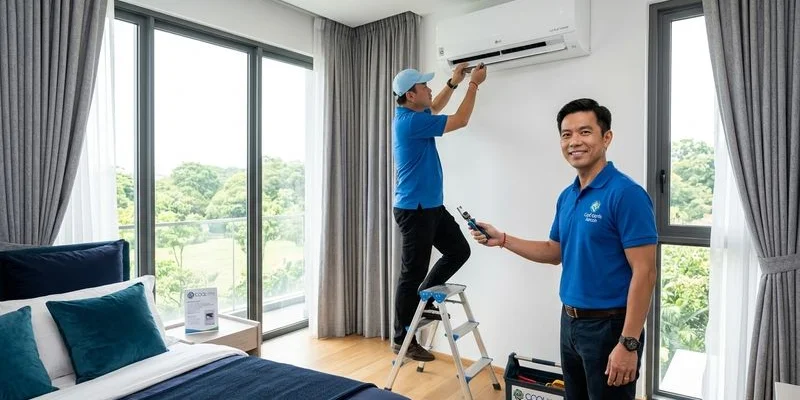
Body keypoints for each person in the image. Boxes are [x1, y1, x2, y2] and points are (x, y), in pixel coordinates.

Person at [470, 98, 657, 399]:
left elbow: (645, 273)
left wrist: (629, 342)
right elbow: (554, 251)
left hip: (610, 328)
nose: (574, 142)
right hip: (570, 322)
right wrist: (502, 238)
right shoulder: (568, 196)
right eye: (566, 134)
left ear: (606, 138)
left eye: (585, 132)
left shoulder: (626, 194)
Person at [390, 63, 487, 362]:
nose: (430, 89)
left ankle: (426, 297)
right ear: (410, 94)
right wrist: (474, 85)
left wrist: (454, 83)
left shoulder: (416, 114)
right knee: (412, 273)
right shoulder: (409, 123)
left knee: (459, 250)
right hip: (414, 210)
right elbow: (460, 120)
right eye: (424, 86)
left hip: (431, 206)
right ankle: (401, 338)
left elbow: (434, 104)